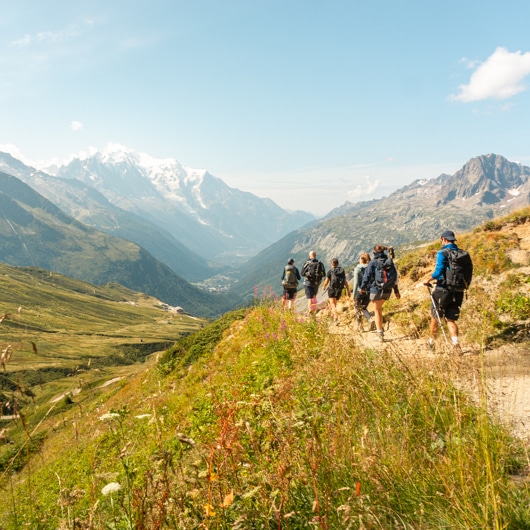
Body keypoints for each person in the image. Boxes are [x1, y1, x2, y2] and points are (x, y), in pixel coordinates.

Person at [423, 230, 471, 355]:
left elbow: (438, 271)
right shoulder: (464, 254)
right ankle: (456, 344)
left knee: (435, 317)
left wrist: (428, 279)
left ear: (444, 239)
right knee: (450, 319)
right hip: (458, 290)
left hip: (442, 290)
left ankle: (431, 343)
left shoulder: (442, 253)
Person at [359, 245, 401, 342]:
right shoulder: (389, 262)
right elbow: (395, 278)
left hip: (376, 290)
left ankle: (380, 333)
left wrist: (362, 288)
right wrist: (396, 291)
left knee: (377, 311)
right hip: (388, 290)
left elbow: (367, 276)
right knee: (379, 309)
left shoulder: (373, 262)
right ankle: (380, 329)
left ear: (374, 253)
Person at [352, 253, 375, 330]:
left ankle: (360, 326)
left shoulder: (357, 269)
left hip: (360, 290)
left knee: (357, 307)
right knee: (364, 307)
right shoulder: (371, 268)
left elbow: (355, 283)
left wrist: (353, 295)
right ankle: (369, 319)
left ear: (361, 260)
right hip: (369, 290)